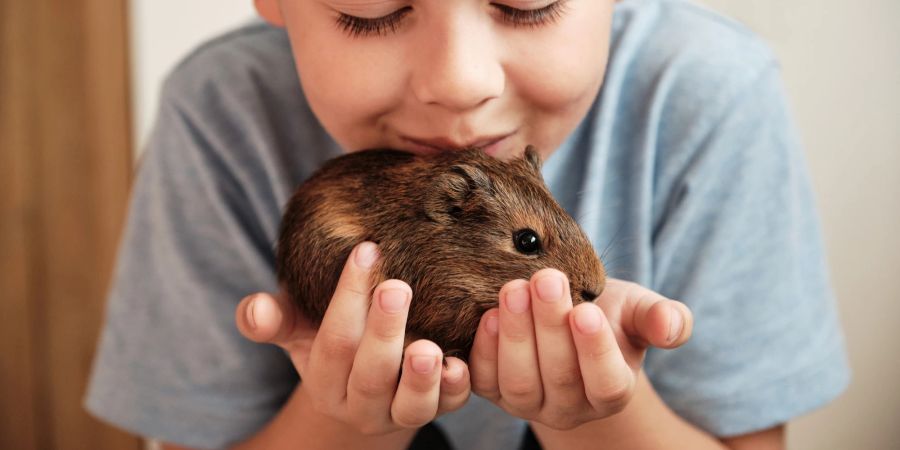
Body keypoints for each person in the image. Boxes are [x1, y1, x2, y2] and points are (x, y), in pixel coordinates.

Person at [84, 0, 851, 448]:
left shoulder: (709, 94)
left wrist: (596, 413)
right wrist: (343, 415)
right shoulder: (220, 113)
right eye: (372, 8)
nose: (459, 84)